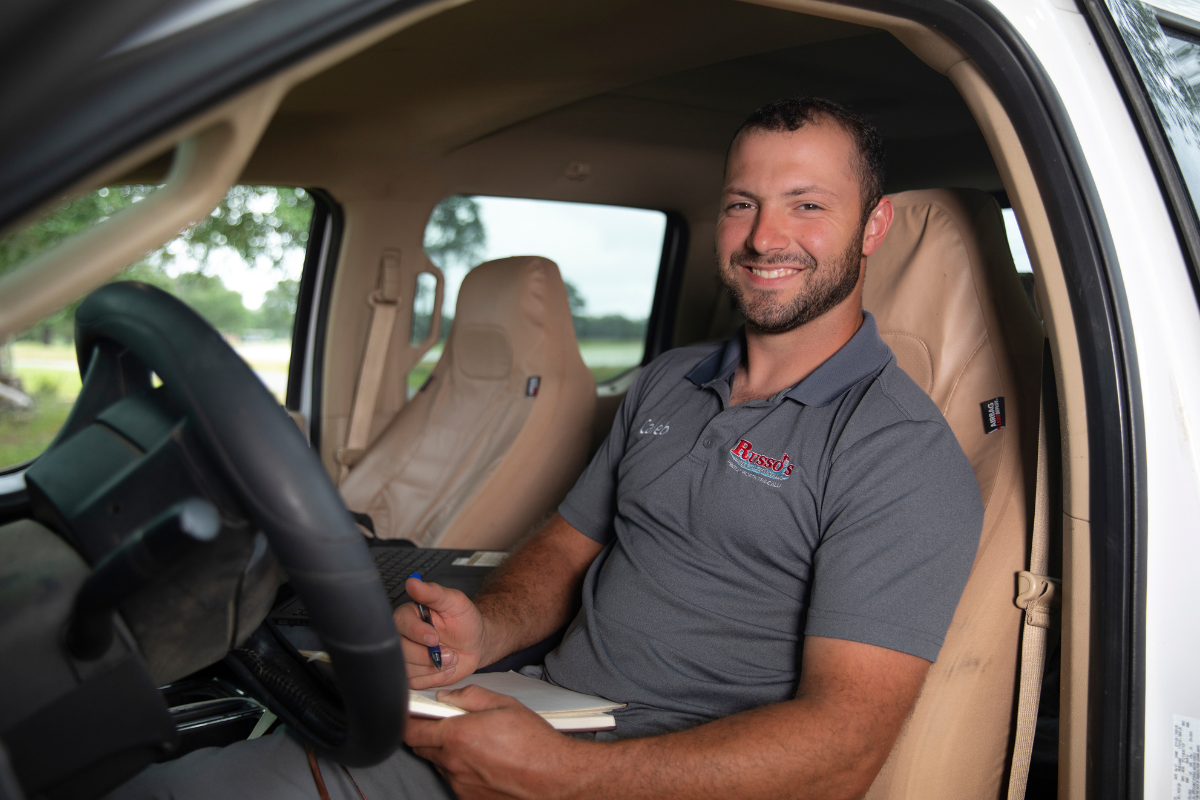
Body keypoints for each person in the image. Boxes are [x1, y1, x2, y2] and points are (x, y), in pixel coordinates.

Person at [109, 97, 983, 800]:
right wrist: (486, 627)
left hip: (630, 775)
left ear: (873, 227)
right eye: (743, 204)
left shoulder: (900, 454)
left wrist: (568, 777)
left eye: (809, 206)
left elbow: (842, 751)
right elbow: (567, 548)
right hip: (532, 714)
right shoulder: (668, 382)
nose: (764, 238)